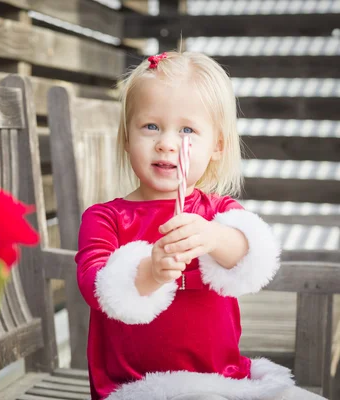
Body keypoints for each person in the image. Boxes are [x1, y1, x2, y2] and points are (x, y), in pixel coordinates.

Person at [74, 51, 325, 400]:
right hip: (136, 386)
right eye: (151, 126)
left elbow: (249, 254)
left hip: (224, 377)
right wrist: (149, 273)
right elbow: (94, 285)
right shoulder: (105, 218)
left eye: (187, 130)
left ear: (217, 145)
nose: (167, 143)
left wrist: (215, 236)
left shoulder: (220, 212)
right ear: (127, 138)